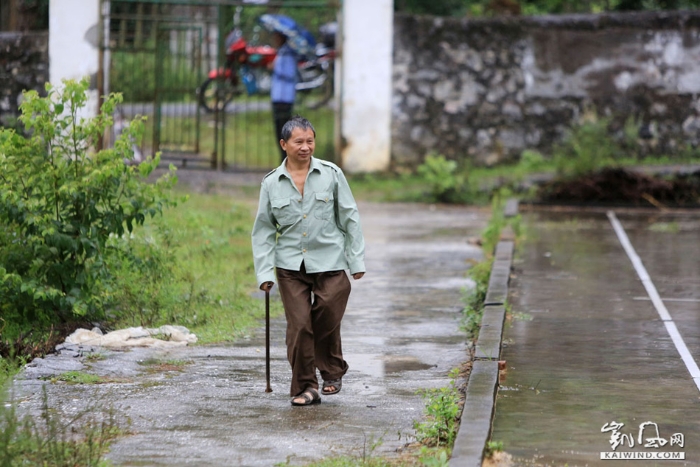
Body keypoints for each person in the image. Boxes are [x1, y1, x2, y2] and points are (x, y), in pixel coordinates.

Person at [251, 116, 365, 406]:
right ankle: (306, 386)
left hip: (330, 260)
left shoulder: (331, 173)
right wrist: (264, 273)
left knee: (327, 311)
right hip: (290, 266)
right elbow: (263, 229)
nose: (305, 147)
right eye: (299, 142)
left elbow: (349, 217)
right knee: (300, 325)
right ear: (284, 144)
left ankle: (332, 369)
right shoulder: (271, 183)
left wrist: (356, 260)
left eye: (310, 141)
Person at [270, 32, 298, 162]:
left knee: (284, 130)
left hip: (285, 97)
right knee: (278, 129)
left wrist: (275, 68)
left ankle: (286, 158)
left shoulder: (288, 52)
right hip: (277, 95)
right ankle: (283, 158)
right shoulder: (281, 51)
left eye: (276, 37)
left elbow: (290, 73)